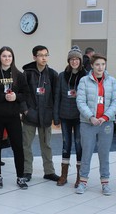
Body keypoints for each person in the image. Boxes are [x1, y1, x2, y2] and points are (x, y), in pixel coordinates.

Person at [0, 46, 30, 189]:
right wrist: (3, 97)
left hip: (13, 116)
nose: (7, 58)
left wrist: (16, 97)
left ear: (12, 58)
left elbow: (26, 94)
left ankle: (20, 177)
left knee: (18, 147)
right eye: (4, 56)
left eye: (9, 56)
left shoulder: (19, 75)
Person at [76, 54, 116, 196]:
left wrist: (105, 117)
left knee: (104, 154)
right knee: (86, 153)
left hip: (106, 123)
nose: (100, 67)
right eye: (97, 64)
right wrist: (91, 117)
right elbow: (80, 101)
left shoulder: (112, 81)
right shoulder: (84, 81)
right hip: (88, 123)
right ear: (92, 65)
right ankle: (82, 182)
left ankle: (105, 183)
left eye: (103, 64)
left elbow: (114, 102)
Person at [22, 45, 60, 182]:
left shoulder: (52, 74)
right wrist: (25, 110)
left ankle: (49, 172)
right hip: (30, 115)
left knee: (47, 145)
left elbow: (56, 96)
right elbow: (21, 94)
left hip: (46, 115)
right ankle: (27, 171)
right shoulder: (27, 73)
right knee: (26, 144)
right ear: (34, 57)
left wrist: (55, 116)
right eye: (41, 55)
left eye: (46, 55)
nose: (44, 58)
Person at [54, 46, 87, 187]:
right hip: (65, 116)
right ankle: (64, 175)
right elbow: (57, 97)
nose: (74, 62)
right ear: (69, 61)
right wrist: (56, 117)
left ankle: (80, 176)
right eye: (72, 59)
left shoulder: (86, 76)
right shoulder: (62, 76)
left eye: (77, 59)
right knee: (66, 144)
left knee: (79, 145)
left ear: (80, 60)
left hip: (80, 117)